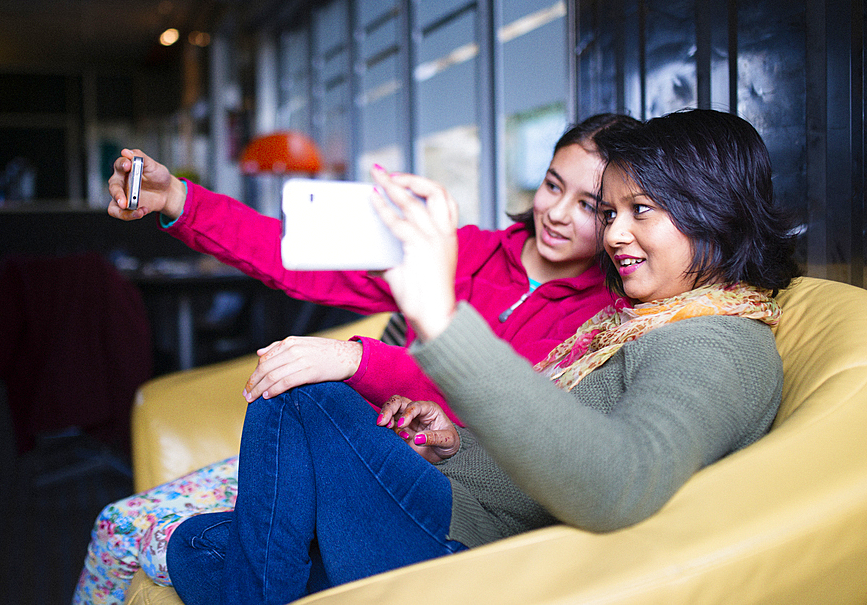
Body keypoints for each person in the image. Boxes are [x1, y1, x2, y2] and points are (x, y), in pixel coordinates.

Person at [164, 108, 798, 604]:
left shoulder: (716, 341)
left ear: (713, 215)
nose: (613, 233)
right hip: (449, 493)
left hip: (467, 548)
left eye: (637, 212)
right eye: (610, 211)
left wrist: (426, 329)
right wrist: (455, 440)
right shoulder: (648, 317)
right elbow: (554, 432)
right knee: (196, 544)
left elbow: (618, 482)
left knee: (298, 398)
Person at [72, 114, 641, 605]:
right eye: (551, 185)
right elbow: (304, 261)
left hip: (429, 492)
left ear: (617, 214)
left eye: (589, 205)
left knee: (201, 535)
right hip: (349, 447)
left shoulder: (606, 315)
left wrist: (356, 359)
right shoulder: (466, 250)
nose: (557, 213)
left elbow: (499, 399)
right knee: (140, 532)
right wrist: (180, 200)